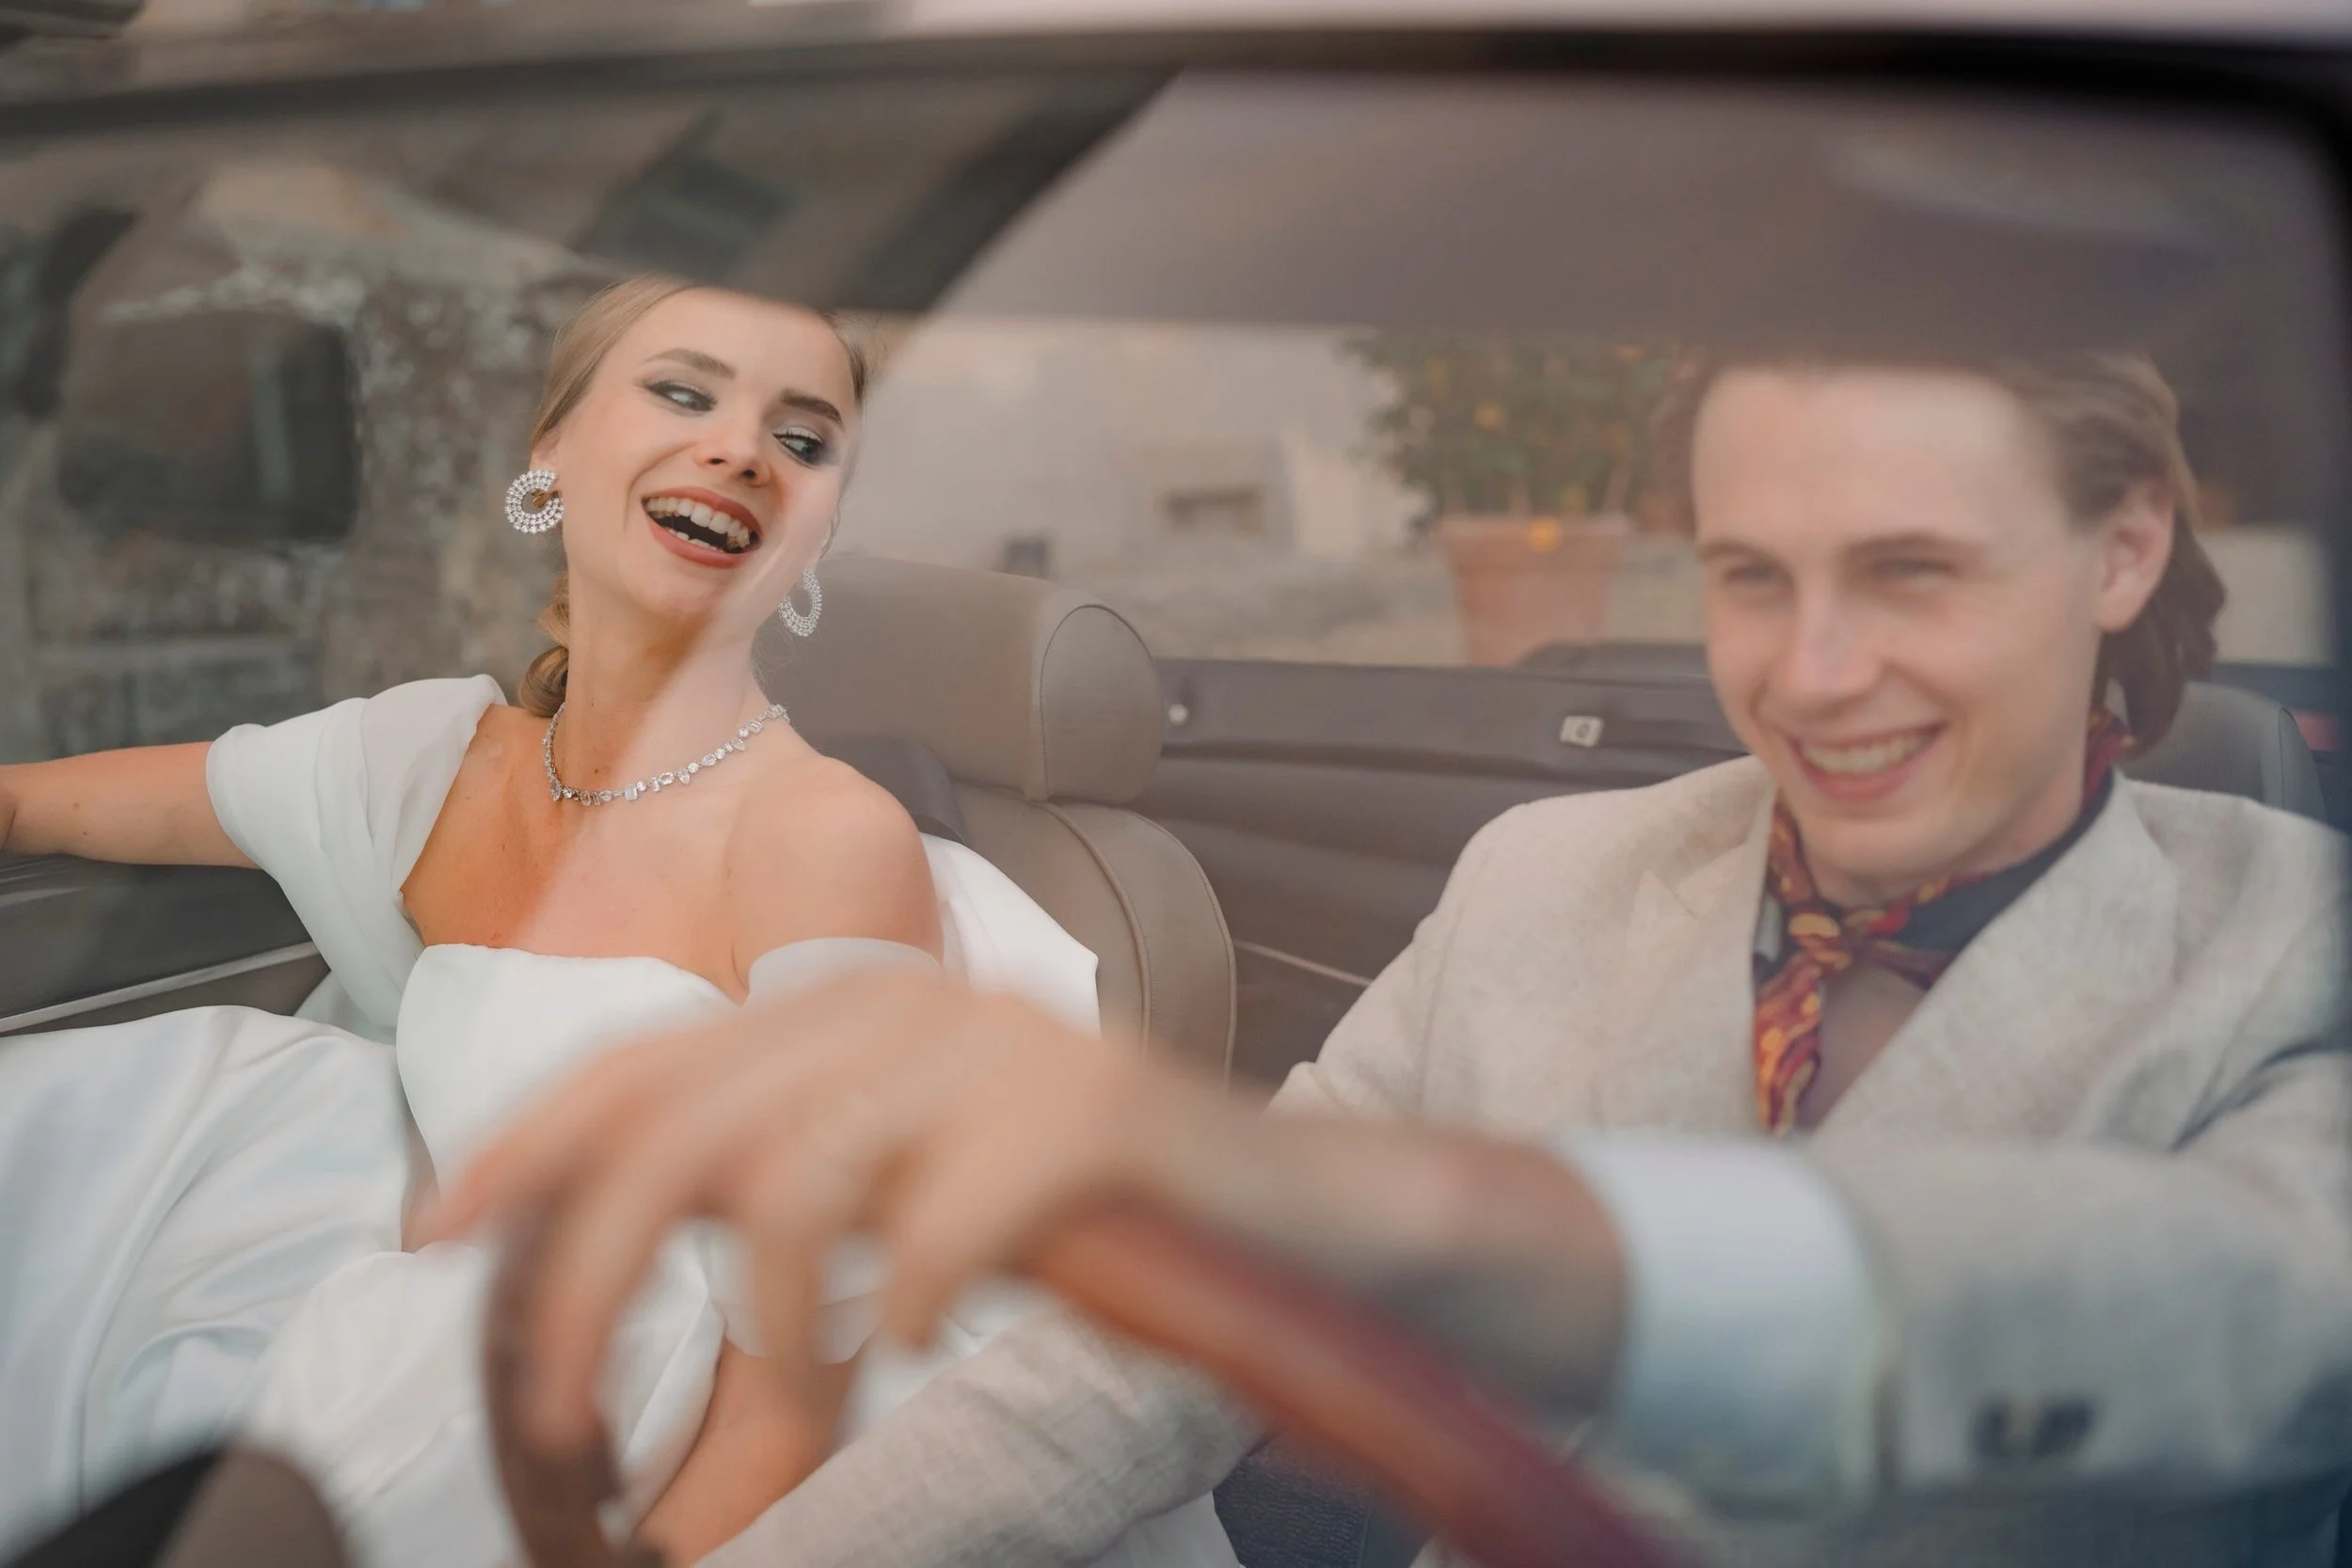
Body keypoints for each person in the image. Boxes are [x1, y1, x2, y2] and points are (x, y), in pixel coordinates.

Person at [434, 350, 2352, 1566]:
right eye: (1749, 577)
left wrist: (1363, 1203)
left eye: (1909, 572)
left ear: (2117, 553)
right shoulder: (1546, 872)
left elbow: (2209, 1322)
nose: (1810, 672)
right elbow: (1139, 1364)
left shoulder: (2296, 949)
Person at [0, 277, 1237, 1568]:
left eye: (803, 440)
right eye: (684, 392)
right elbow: (40, 805)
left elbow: (784, 1411)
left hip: (641, 1413)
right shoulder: (426, 766)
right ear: (552, 451)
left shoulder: (820, 842)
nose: (742, 448)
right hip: (404, 1325)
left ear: (815, 529)